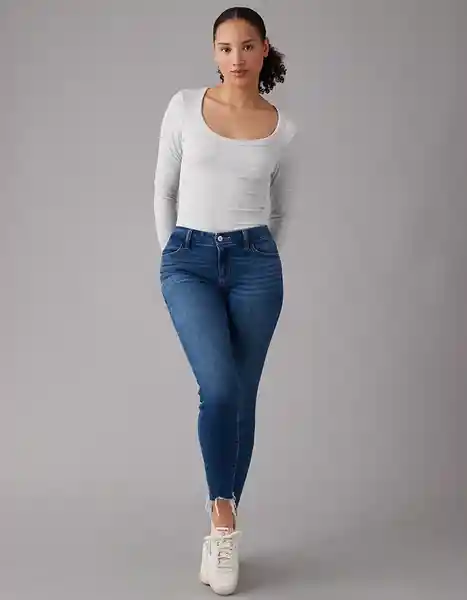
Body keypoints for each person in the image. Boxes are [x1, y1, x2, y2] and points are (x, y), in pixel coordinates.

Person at [153, 6, 297, 596]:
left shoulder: (283, 128)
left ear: (264, 50)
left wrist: (255, 257)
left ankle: (224, 531)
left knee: (242, 395)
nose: (236, 58)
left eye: (246, 46)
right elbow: (163, 190)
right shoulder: (185, 106)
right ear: (214, 53)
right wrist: (174, 257)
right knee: (218, 387)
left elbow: (282, 211)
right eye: (225, 47)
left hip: (254, 266)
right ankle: (222, 518)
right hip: (188, 260)